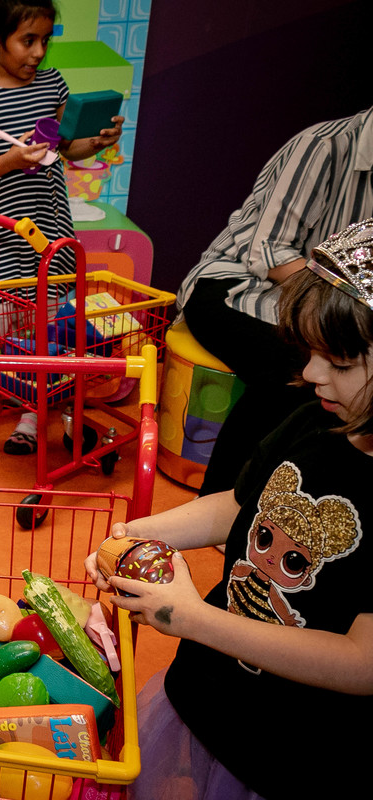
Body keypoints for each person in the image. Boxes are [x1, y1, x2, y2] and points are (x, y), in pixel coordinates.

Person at [84, 219, 373, 799]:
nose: (312, 373)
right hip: (210, 691)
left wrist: (192, 619)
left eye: (339, 364)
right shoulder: (318, 414)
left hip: (297, 751)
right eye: (313, 354)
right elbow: (240, 505)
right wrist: (133, 532)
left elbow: (360, 662)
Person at [0, 0, 123, 464]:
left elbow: (68, 149)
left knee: (43, 341)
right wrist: (9, 160)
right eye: (28, 40)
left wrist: (98, 141)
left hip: (48, 232)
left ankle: (30, 423)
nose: (38, 52)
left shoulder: (52, 85)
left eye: (46, 40)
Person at [176, 106, 373, 496]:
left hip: (333, 305)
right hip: (235, 284)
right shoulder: (325, 146)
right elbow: (269, 251)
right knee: (295, 370)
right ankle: (228, 498)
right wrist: (334, 310)